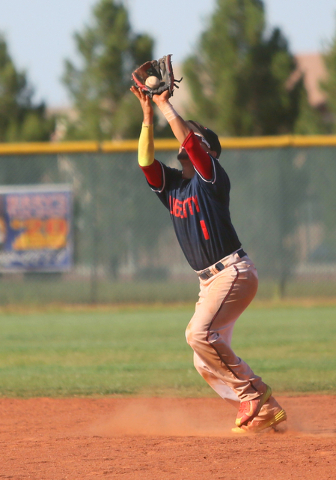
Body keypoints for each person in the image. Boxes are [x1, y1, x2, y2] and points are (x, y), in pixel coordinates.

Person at [130, 85, 287, 434]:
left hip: (233, 271)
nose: (187, 146)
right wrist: (146, 116)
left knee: (199, 333)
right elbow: (144, 161)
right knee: (203, 359)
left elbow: (189, 142)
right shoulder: (172, 185)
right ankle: (265, 412)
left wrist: (165, 105)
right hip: (209, 282)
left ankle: (251, 392)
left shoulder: (211, 178)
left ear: (209, 152)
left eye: (197, 141)